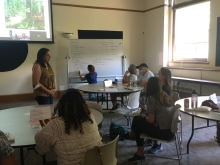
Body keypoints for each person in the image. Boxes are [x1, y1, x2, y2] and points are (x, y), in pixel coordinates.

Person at [35, 89, 102, 165]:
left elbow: (41, 148)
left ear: (61, 105)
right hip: (97, 161)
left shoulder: (56, 125)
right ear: (83, 104)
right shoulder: (90, 118)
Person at [127, 77, 174, 162]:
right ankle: (132, 136)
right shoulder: (163, 95)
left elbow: (151, 120)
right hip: (170, 131)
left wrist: (145, 116)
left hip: (162, 133)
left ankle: (138, 151)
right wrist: (146, 115)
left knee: (137, 121)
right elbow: (158, 113)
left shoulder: (152, 98)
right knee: (138, 120)